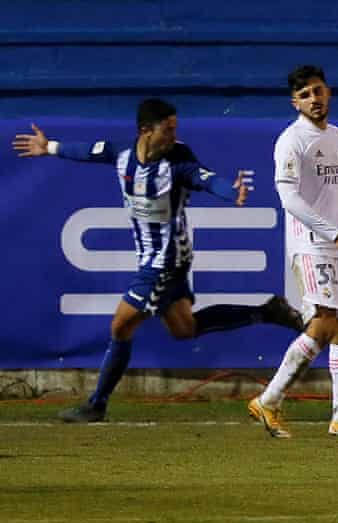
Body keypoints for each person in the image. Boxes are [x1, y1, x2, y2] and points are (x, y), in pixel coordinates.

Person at [11, 98, 304, 422]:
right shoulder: (121, 155)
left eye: (175, 128)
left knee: (121, 324)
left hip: (164, 260)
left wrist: (230, 191)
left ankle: (97, 404)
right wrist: (48, 146)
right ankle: (266, 311)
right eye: (168, 130)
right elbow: (87, 151)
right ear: (145, 131)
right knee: (184, 328)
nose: (173, 136)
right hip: (156, 258)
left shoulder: (177, 162)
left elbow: (205, 178)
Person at [248, 65, 338, 438]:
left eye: (318, 91)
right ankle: (269, 399)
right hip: (312, 244)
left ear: (329, 92)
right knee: (325, 321)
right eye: (305, 95)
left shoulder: (337, 136)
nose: (314, 99)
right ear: (295, 102)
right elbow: (289, 198)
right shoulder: (292, 141)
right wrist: (336, 234)